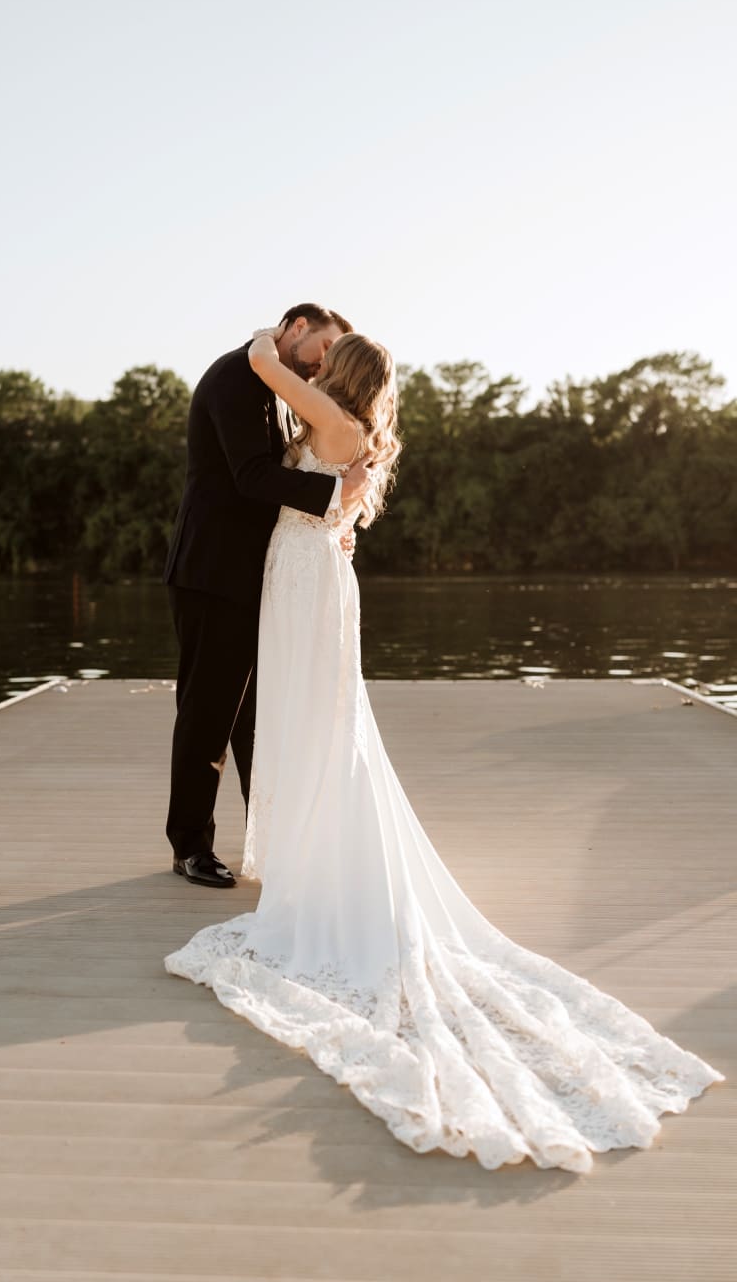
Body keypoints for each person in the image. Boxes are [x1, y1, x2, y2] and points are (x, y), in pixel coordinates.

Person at [164, 327, 722, 1171]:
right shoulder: (340, 433)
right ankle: (296, 845)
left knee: (318, 720)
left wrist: (267, 343)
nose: (313, 366)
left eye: (328, 359)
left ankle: (318, 854)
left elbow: (268, 371)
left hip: (307, 584)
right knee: (298, 718)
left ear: (341, 374)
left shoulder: (336, 427)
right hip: (299, 578)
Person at [161, 305, 371, 887]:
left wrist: (336, 520)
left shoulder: (278, 383)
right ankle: (190, 847)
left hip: (262, 575)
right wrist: (333, 494)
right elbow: (250, 476)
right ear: (297, 327)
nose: (326, 362)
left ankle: (274, 839)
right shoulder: (234, 378)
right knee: (207, 711)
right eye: (325, 347)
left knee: (256, 714)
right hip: (213, 571)